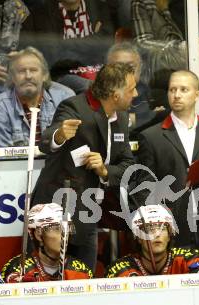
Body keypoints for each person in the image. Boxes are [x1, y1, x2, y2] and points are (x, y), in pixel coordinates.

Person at [32, 63, 137, 271]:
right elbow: (46, 141)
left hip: (90, 213)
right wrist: (59, 135)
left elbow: (127, 165)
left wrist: (105, 171)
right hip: (59, 212)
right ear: (115, 95)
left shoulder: (121, 118)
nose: (136, 93)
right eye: (131, 88)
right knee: (51, 282)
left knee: (84, 280)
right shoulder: (74, 107)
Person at [134, 70, 199, 253]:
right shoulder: (150, 136)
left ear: (197, 95)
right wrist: (159, 219)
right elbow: (144, 186)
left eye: (184, 89)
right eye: (172, 90)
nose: (176, 95)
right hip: (172, 232)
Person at [20, 0, 114, 93]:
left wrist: (66, 45)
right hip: (61, 73)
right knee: (91, 87)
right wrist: (91, 41)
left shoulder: (99, 7)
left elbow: (105, 44)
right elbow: (54, 54)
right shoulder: (42, 13)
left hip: (98, 67)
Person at [0, 47, 74, 147]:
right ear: (12, 77)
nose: (28, 76)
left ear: (44, 75)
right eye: (21, 71)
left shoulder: (64, 97)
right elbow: (5, 158)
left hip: (56, 162)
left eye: (33, 70)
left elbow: (73, 144)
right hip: (18, 163)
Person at [106, 204, 199, 277]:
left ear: (169, 236)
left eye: (162, 228)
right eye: (150, 229)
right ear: (139, 238)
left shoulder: (188, 259)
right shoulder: (121, 269)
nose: (157, 234)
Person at [1, 203, 93, 282]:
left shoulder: (81, 270)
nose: (65, 235)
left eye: (67, 229)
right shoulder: (18, 268)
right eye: (57, 229)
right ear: (38, 235)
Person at [106, 41, 166, 138]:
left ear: (140, 68)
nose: (125, 71)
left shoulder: (154, 96)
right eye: (118, 67)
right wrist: (150, 116)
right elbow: (108, 123)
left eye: (130, 67)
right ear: (107, 68)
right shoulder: (99, 94)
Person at [131, 0, 186, 88]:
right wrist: (177, 48)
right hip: (158, 68)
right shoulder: (143, 3)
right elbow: (141, 42)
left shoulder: (186, 4)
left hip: (184, 64)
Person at [0, 0, 29, 95]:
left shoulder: (19, 7)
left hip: (16, 75)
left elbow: (36, 46)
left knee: (64, 93)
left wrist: (23, 55)